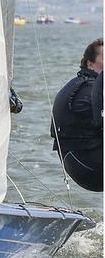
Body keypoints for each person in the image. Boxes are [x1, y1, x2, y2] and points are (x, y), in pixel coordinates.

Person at [50, 37, 103, 192]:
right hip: (86, 162)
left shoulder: (82, 84)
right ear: (90, 64)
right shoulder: (87, 91)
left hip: (81, 159)